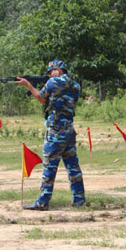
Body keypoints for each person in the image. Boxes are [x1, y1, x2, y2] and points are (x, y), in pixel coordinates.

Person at [14, 60, 85, 210]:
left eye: (51, 71)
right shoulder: (76, 85)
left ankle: (42, 201)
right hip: (69, 131)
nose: (50, 74)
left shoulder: (53, 82)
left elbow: (41, 98)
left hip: (56, 131)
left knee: (49, 167)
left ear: (58, 70)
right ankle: (79, 199)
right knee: (73, 166)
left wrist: (28, 85)